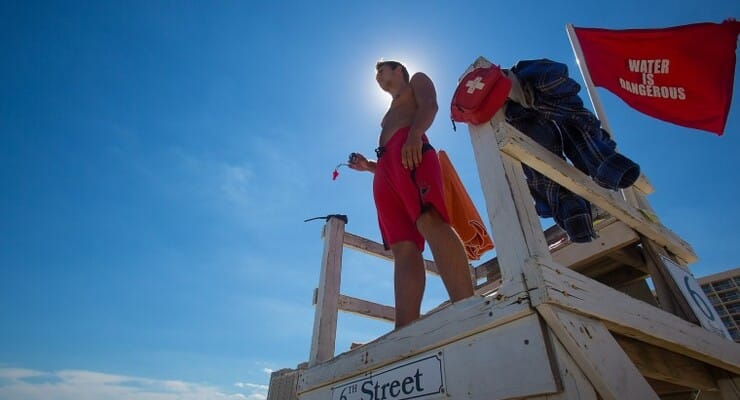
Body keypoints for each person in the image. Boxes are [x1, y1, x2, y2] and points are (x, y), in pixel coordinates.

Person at [348, 60, 474, 329]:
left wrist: (416, 134)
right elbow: (387, 156)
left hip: (410, 149)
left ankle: (467, 308)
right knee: (403, 247)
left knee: (429, 220)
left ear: (398, 70)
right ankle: (404, 330)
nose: (378, 76)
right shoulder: (386, 113)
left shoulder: (417, 79)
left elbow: (430, 105)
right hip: (385, 169)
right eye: (375, 73)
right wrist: (367, 166)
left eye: (381, 70)